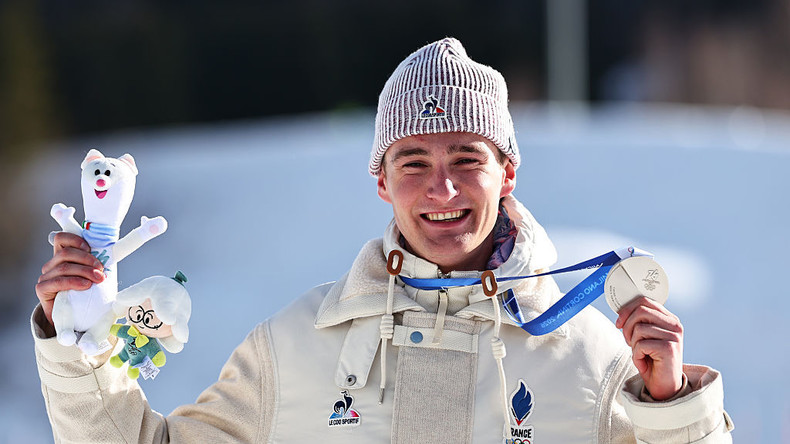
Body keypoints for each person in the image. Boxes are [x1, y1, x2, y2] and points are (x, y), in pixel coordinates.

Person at [32, 37, 733, 443]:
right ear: (381, 180)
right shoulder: (300, 344)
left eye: (467, 160)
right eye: (414, 163)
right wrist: (74, 337)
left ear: (508, 173)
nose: (443, 190)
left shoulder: (590, 358)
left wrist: (673, 406)